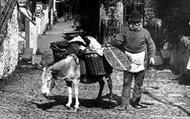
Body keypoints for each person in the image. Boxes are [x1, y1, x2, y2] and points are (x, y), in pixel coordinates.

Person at [109, 9, 156, 111]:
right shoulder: (125, 31)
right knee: (126, 83)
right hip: (128, 60)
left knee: (138, 84)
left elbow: (151, 45)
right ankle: (124, 104)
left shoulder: (145, 33)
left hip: (141, 61)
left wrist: (152, 56)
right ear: (130, 22)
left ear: (140, 23)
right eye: (134, 23)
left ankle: (136, 102)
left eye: (138, 23)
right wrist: (110, 43)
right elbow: (118, 41)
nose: (136, 25)